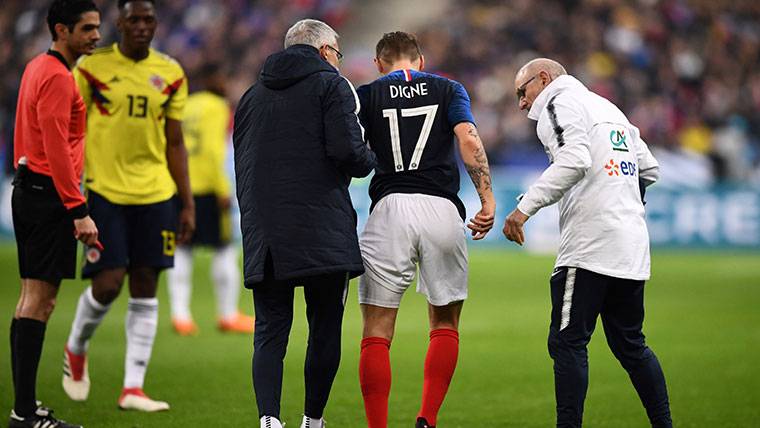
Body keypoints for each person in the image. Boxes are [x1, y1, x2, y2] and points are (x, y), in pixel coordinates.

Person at [503, 58, 672, 428]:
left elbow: (575, 160)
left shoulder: (557, 102)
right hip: (630, 246)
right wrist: (620, 205)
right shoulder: (607, 107)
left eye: (522, 91)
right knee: (632, 346)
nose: (521, 103)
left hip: (590, 247)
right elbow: (650, 168)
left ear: (543, 79)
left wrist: (523, 209)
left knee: (567, 343)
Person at [233, 18, 376, 428]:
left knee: (270, 331)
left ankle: (268, 420)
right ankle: (312, 420)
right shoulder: (332, 85)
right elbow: (350, 152)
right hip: (321, 228)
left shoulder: (251, 96)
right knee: (325, 325)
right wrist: (371, 158)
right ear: (326, 51)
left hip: (267, 233)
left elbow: (244, 165)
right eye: (338, 54)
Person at [355, 31, 495, 428]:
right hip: (441, 209)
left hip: (387, 211)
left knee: (377, 328)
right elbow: (468, 138)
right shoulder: (449, 88)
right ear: (420, 62)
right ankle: (427, 419)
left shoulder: (366, 94)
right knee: (445, 322)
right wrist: (487, 198)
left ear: (379, 64)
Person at [61, 0, 194, 413]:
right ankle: (76, 347)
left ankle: (133, 387)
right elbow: (69, 129)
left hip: (155, 193)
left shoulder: (171, 73)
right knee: (107, 284)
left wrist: (185, 202)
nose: (140, 26)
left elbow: (175, 142)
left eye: (148, 20)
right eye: (132, 19)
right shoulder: (90, 69)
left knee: (146, 284)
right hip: (105, 192)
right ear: (117, 23)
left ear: (156, 24)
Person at [8, 1, 101, 427]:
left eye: (97, 27)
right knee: (40, 303)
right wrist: (78, 209)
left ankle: (23, 409)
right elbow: (56, 148)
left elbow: (30, 140)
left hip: (29, 188)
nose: (97, 35)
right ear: (62, 30)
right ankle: (25, 413)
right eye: (87, 28)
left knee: (31, 299)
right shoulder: (59, 79)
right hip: (49, 198)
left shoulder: (36, 68)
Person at [167, 64, 254, 336]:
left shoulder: (186, 105)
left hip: (179, 185)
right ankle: (228, 314)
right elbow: (213, 150)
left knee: (181, 249)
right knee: (225, 249)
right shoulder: (217, 107)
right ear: (214, 79)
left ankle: (180, 315)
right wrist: (223, 188)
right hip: (207, 186)